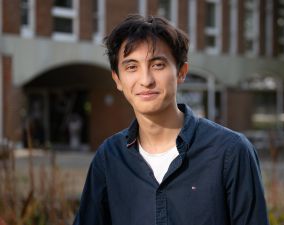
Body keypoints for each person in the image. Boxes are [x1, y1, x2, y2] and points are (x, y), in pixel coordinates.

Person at [73, 15, 270, 225]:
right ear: (117, 79)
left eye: (158, 65)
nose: (146, 80)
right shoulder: (110, 157)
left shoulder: (231, 152)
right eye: (132, 67)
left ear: (181, 72)